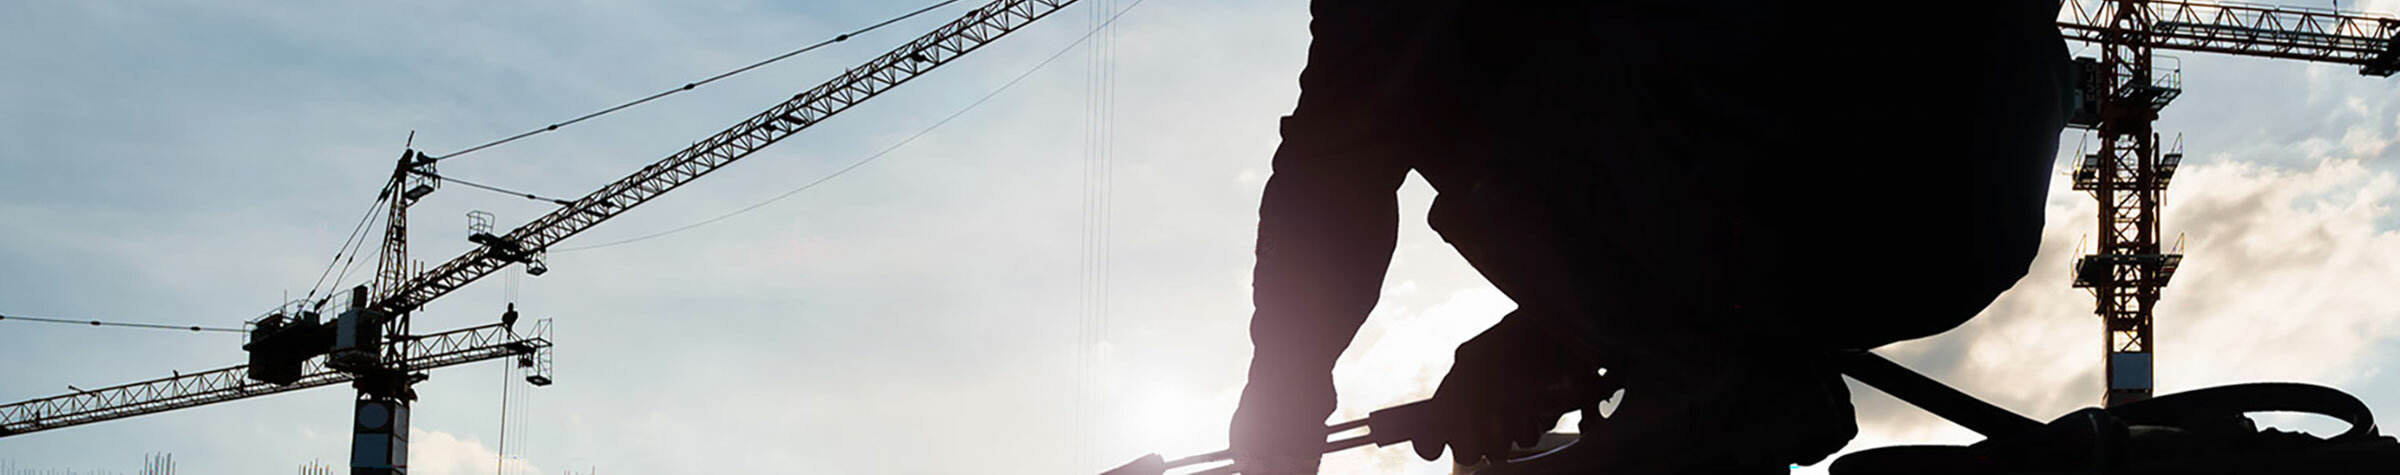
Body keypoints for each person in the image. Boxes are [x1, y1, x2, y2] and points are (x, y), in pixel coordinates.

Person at [1229, 2, 2075, 474]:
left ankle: (1719, 387)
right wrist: (1553, 336)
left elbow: (1336, 159)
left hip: (1817, 141)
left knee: (1402, 93)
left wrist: (1282, 390)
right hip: (1968, 193)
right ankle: (1707, 372)